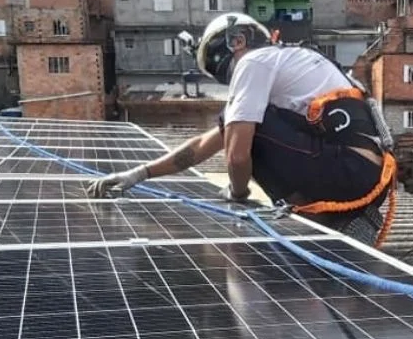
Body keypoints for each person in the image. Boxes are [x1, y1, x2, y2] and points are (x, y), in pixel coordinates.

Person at [87, 13, 397, 246]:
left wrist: (238, 192)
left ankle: (320, 217)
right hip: (363, 175)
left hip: (348, 171)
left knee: (246, 135)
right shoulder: (289, 63)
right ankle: (335, 216)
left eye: (223, 71)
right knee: (241, 128)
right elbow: (203, 145)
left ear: (237, 42)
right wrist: (138, 174)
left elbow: (236, 156)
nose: (229, 80)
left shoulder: (254, 62)